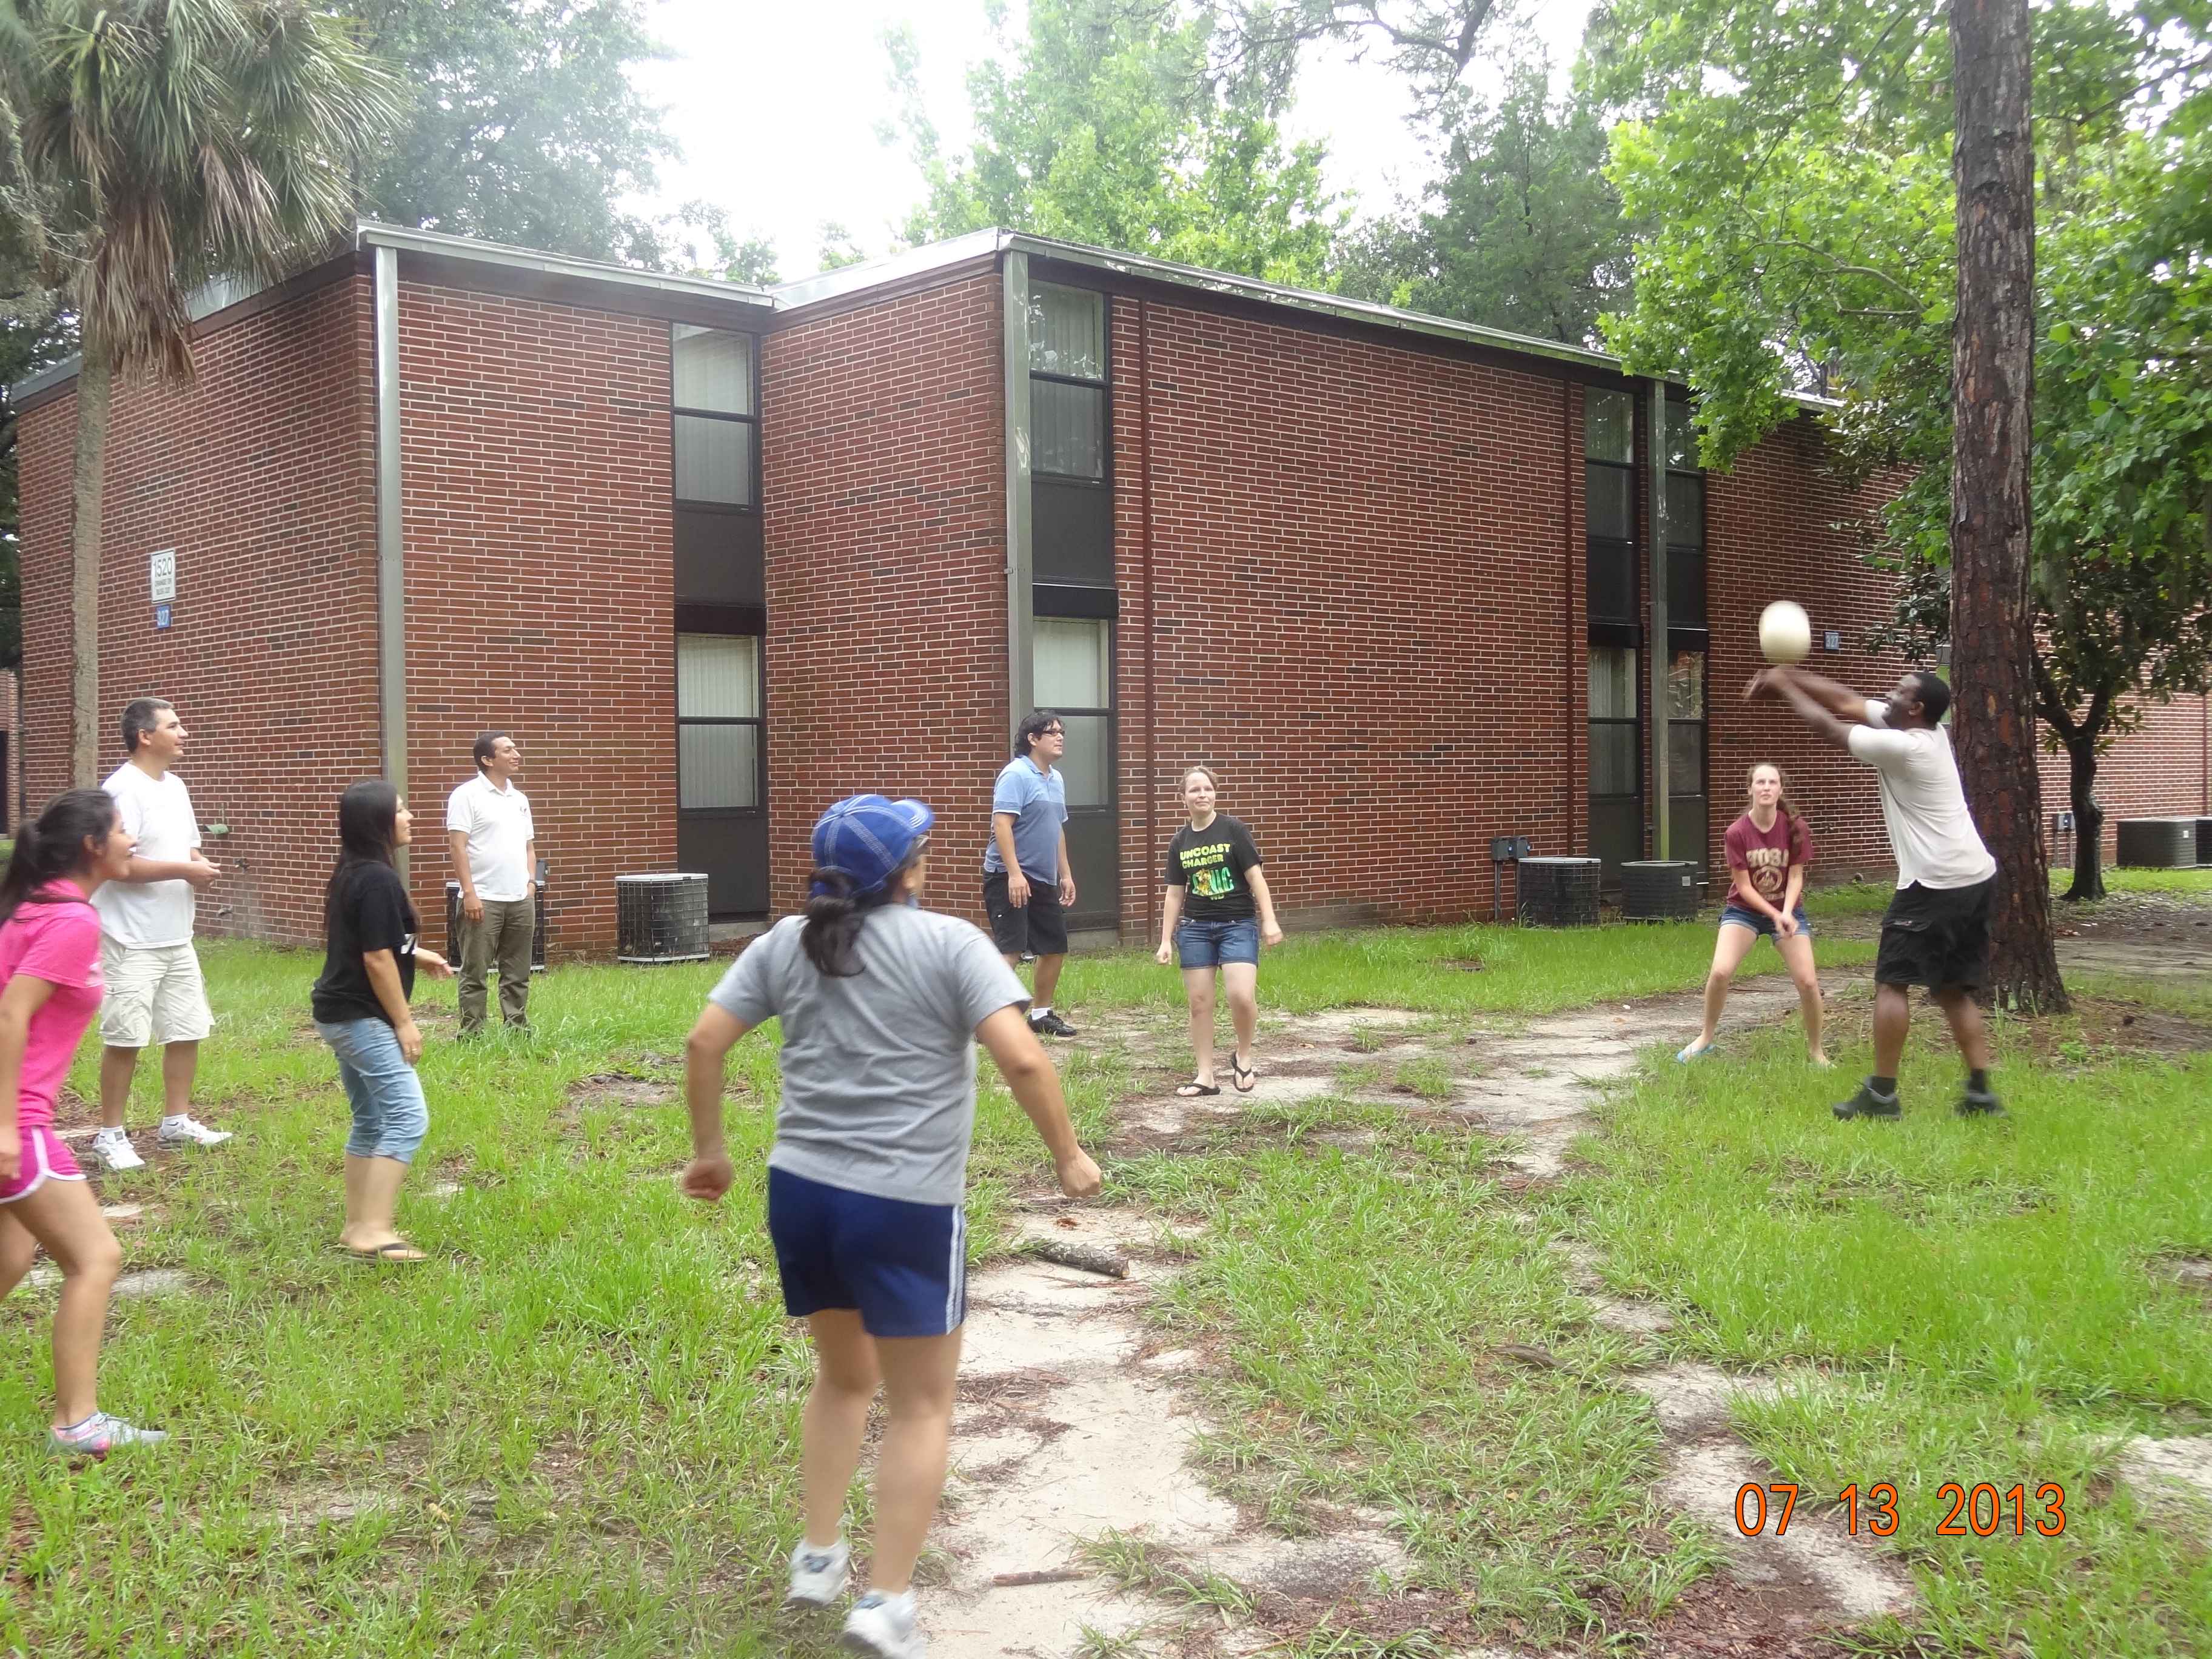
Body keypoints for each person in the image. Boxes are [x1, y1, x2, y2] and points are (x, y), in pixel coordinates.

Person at [680, 794, 1101, 1657]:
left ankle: (817, 1555)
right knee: (921, 1408)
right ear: (907, 870)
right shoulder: (952, 943)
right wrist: (1068, 1155)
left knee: (841, 1381)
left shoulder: (784, 943)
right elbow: (1021, 1054)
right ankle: (885, 1603)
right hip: (905, 1206)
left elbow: (703, 1043)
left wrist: (710, 1153)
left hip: (801, 1196)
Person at [1748, 665, 2003, 1119]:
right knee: (1952, 990)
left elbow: (1831, 726)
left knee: (1892, 982)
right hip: (1975, 877)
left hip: (1934, 882)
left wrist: (1784, 687)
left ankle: (1882, 1096)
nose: (1888, 694)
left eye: (1899, 691)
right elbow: (1846, 702)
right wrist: (1791, 672)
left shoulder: (1905, 747)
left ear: (1916, 707)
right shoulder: (1923, 729)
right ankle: (1981, 1094)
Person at [0, 789, 167, 1455]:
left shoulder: (30, 910)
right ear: (93, 845)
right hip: (20, 1121)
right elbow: (12, 1013)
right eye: (125, 831)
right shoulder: (71, 921)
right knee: (96, 1256)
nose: (133, 843)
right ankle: (78, 1424)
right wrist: (8, 1126)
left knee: (12, 1255)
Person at [313, 782, 454, 1262]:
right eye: (400, 810)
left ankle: (356, 1226)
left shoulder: (356, 872)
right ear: (378, 823)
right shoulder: (376, 878)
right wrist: (405, 1022)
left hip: (339, 1013)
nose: (410, 816)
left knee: (371, 1120)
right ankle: (374, 1229)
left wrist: (423, 952)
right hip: (362, 1017)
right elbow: (376, 959)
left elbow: (384, 942)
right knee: (408, 1118)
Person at [89, 699, 228, 1173]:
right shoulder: (122, 791)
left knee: (186, 1029)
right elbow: (117, 865)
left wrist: (194, 865)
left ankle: (177, 1121)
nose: (184, 732)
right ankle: (110, 1135)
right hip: (130, 937)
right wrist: (186, 869)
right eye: (174, 726)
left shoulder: (177, 785)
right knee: (126, 1037)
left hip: (175, 934)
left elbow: (188, 842)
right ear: (145, 736)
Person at [1677, 763, 1829, 1067]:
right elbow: (1744, 887)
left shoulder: (1795, 827)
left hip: (1788, 910)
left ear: (1780, 790)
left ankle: (1816, 1052)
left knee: (1809, 983)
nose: (1766, 787)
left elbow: (1796, 877)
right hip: (1743, 912)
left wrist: (1785, 913)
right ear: (1750, 789)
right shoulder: (1737, 832)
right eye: (1760, 782)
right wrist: (1774, 914)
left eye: (1772, 782)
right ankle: (1705, 1038)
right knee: (1720, 972)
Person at [1155, 767, 1284, 1096]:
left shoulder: (1233, 829)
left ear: (1215, 793)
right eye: (1195, 790)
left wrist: (1269, 920)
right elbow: (1174, 893)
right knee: (1199, 1003)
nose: (1202, 795)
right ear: (1183, 798)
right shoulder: (1180, 841)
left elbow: (1256, 878)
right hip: (1196, 930)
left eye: (1207, 789)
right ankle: (1205, 1076)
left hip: (1237, 925)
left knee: (1241, 996)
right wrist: (1166, 939)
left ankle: (1243, 1054)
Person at [982, 710, 1079, 1037]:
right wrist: (1014, 875)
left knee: (1053, 946)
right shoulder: (1016, 775)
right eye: (1052, 733)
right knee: (1011, 949)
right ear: (1032, 739)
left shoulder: (1056, 778)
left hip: (1043, 877)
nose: (1060, 737)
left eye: (1061, 732)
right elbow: (1002, 824)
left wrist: (1064, 874)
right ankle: (986, 1020)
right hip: (1008, 876)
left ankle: (1040, 1014)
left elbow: (1057, 829)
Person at [446, 732, 537, 1036]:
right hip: (482, 899)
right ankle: (472, 1033)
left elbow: (529, 847)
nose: (517, 754)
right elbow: (458, 847)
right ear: (487, 760)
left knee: (518, 972)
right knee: (475, 971)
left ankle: (517, 1028)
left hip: (520, 899)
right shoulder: (466, 795)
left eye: (516, 749)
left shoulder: (520, 799)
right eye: (508, 750)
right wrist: (470, 894)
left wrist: (531, 883)